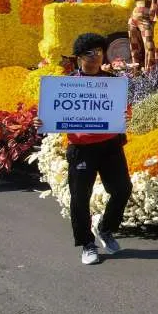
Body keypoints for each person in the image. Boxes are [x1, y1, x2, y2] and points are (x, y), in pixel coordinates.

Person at [37, 33, 132, 264]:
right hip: (81, 149)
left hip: (110, 145)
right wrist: (42, 121)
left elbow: (123, 110)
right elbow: (52, 113)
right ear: (79, 57)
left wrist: (125, 116)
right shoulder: (66, 84)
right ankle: (87, 244)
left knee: (122, 190)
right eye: (89, 53)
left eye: (99, 52)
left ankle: (105, 229)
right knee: (80, 198)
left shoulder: (113, 83)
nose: (95, 57)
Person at [119, 0, 158, 73]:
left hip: (146, 21)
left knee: (149, 47)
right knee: (134, 47)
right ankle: (136, 71)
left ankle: (150, 72)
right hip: (133, 21)